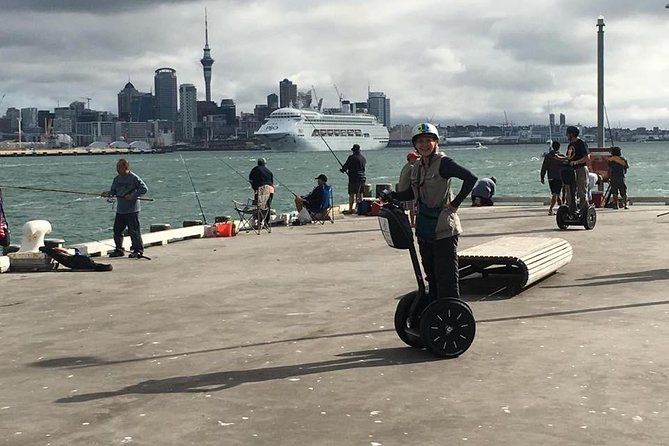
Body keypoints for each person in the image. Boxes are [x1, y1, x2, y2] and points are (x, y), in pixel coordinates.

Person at [391, 122, 477, 301]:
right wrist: (392, 196)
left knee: (446, 277)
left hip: (443, 228)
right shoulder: (418, 166)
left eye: (428, 140)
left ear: (436, 142)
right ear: (415, 145)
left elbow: (470, 178)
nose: (424, 145)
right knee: (430, 274)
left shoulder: (444, 163)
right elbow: (411, 193)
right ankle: (434, 308)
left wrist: (455, 204)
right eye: (420, 141)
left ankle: (450, 311)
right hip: (424, 228)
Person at [101, 158, 148, 258]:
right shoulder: (117, 179)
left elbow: (144, 188)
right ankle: (119, 249)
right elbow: (113, 191)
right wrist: (107, 193)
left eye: (119, 166)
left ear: (125, 167)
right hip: (121, 210)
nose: (117, 169)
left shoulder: (133, 177)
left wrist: (133, 196)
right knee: (117, 230)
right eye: (117, 166)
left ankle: (138, 250)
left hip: (132, 210)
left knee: (134, 231)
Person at [564, 125, 589, 209]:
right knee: (570, 190)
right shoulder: (570, 145)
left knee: (582, 190)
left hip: (580, 169)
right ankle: (571, 208)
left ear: (571, 134)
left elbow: (587, 157)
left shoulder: (581, 143)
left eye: (567, 133)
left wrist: (576, 162)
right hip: (571, 170)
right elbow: (569, 157)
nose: (566, 135)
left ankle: (583, 208)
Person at [340, 144, 366, 214]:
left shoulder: (351, 157)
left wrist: (342, 169)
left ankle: (350, 209)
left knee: (352, 194)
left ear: (353, 151)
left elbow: (345, 166)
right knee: (360, 194)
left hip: (354, 179)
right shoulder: (363, 158)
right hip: (362, 178)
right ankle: (360, 209)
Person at [540, 141, 565, 215]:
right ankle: (551, 209)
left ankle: (562, 208)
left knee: (557, 193)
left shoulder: (548, 156)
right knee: (556, 194)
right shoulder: (561, 156)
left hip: (550, 178)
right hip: (559, 178)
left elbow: (544, 167)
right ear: (559, 147)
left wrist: (542, 177)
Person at [248, 158, 274, 225]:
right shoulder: (269, 171)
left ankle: (259, 221)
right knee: (267, 206)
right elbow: (271, 183)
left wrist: (254, 188)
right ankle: (266, 223)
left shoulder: (255, 169)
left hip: (261, 190)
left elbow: (251, 180)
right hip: (270, 190)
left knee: (259, 206)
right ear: (264, 164)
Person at [397, 151, 419, 226]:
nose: (416, 160)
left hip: (402, 190)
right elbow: (415, 178)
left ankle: (407, 222)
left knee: (407, 208)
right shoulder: (412, 167)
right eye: (415, 158)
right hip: (408, 190)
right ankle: (413, 223)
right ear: (410, 159)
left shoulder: (406, 166)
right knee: (412, 208)